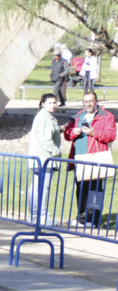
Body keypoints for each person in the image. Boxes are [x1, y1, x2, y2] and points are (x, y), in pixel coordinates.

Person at [62, 91, 116, 227]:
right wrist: (72, 132)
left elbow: (111, 135)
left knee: (95, 191)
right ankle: (82, 218)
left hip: (96, 159)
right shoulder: (78, 116)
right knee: (81, 190)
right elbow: (67, 134)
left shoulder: (107, 116)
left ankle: (93, 220)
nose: (88, 104)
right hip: (79, 158)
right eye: (86, 101)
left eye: (91, 101)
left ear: (96, 101)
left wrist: (94, 133)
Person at [28, 94, 62, 224]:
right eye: (50, 103)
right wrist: (57, 152)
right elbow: (46, 140)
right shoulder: (45, 117)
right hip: (45, 158)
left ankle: (34, 214)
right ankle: (41, 215)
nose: (53, 105)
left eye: (55, 102)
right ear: (43, 104)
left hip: (39, 158)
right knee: (42, 187)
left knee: (36, 186)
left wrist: (59, 130)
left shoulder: (45, 117)